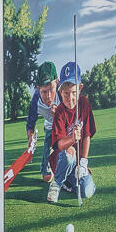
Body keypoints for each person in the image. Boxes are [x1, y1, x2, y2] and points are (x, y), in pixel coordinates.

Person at [47, 63, 97, 204]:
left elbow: (87, 135)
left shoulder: (84, 104)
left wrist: (83, 163)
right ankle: (56, 184)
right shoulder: (60, 112)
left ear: (80, 88)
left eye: (74, 92)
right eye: (66, 93)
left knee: (87, 191)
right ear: (60, 92)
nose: (70, 98)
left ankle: (67, 183)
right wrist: (72, 138)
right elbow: (59, 145)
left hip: (77, 165)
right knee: (70, 153)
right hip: (62, 159)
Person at [24, 74, 59, 192]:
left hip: (67, 127)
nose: (48, 96)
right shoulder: (35, 100)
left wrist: (59, 113)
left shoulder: (64, 91)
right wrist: (30, 138)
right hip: (50, 128)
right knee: (47, 177)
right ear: (38, 88)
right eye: (44, 92)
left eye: (51, 90)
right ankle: (48, 166)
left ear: (57, 83)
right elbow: (31, 121)